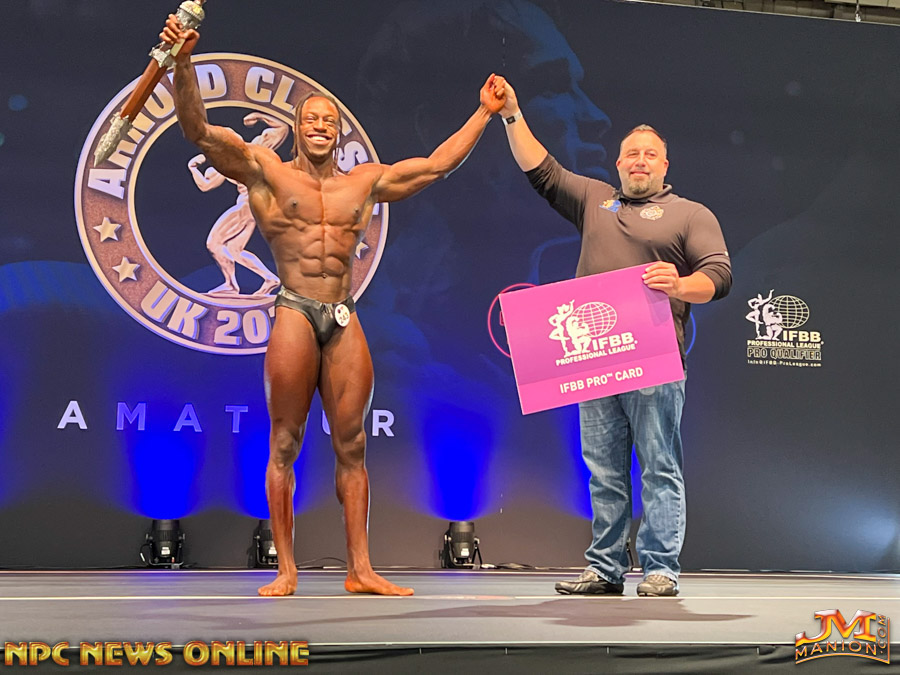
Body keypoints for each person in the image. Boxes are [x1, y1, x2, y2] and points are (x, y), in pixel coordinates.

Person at [161, 15, 506, 596]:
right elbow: (199, 132)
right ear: (296, 129)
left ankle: (360, 570)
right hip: (295, 308)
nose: (319, 127)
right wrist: (183, 63)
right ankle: (286, 569)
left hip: (343, 313)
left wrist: (484, 113)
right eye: (310, 120)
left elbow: (435, 166)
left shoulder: (363, 181)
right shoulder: (265, 171)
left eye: (328, 121)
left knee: (353, 445)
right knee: (285, 442)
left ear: (339, 131)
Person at [496, 80, 732, 596]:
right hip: (594, 360)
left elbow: (719, 276)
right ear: (619, 163)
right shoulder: (595, 199)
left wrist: (680, 285)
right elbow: (541, 170)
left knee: (659, 468)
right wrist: (512, 113)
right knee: (603, 472)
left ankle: (661, 569)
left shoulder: (691, 214)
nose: (640, 161)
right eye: (632, 154)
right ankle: (605, 569)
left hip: (655, 362)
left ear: (665, 166)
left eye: (650, 155)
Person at [187, 112, 287, 296]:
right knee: (235, 249)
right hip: (251, 207)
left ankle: (231, 285)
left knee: (214, 243)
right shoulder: (223, 164)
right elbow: (205, 185)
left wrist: (258, 116)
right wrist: (193, 169)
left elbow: (282, 128)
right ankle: (269, 278)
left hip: (249, 204)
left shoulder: (256, 148)